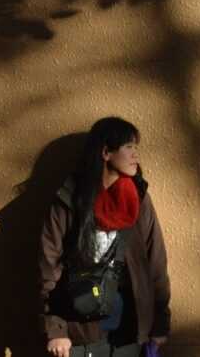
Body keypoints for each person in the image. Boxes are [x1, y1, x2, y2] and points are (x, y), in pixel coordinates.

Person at [39, 117, 171, 357]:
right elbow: (48, 267)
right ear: (106, 152)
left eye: (136, 148)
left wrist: (160, 323)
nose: (135, 155)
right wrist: (56, 328)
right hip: (81, 330)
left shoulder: (139, 200)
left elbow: (156, 263)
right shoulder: (69, 200)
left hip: (130, 331)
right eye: (128, 147)